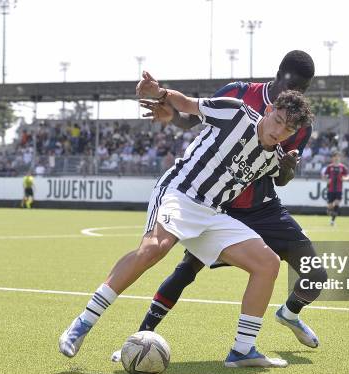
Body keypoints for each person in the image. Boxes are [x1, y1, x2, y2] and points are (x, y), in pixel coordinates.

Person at [59, 70, 314, 368]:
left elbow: (281, 178)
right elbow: (189, 105)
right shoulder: (235, 113)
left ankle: (243, 350)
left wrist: (287, 168)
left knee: (267, 263)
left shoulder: (272, 156)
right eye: (278, 121)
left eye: (286, 130)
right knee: (154, 248)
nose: (278, 131)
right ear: (268, 110)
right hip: (180, 192)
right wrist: (159, 92)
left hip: (212, 213)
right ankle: (83, 323)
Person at [129, 51, 327, 351]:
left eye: (303, 88)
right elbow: (190, 121)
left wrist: (287, 168)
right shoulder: (239, 93)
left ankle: (288, 314)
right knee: (185, 272)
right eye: (293, 85)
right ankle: (139, 337)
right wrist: (170, 116)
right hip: (221, 206)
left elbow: (279, 177)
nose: (296, 93)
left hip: (264, 208)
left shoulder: (299, 124)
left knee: (316, 274)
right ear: (278, 75)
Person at [321, 151, 349, 226]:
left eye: (338, 156)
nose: (336, 158)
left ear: (339, 158)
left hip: (338, 189)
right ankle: (329, 210)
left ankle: (332, 221)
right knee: (330, 206)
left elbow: (347, 176)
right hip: (330, 189)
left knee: (337, 203)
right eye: (335, 156)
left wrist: (345, 179)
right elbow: (324, 176)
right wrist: (327, 180)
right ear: (332, 158)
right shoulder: (329, 167)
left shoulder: (342, 167)